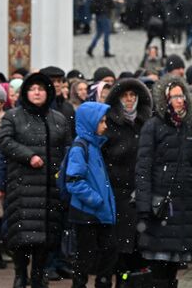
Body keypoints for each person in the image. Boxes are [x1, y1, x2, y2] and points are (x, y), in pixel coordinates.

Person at [0, 73, 71, 288]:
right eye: (33, 89)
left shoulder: (58, 119)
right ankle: (20, 276)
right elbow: (5, 141)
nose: (37, 92)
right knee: (20, 238)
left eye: (41, 89)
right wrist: (28, 156)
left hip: (49, 190)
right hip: (23, 188)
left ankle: (39, 276)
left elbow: (67, 148)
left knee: (46, 240)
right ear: (26, 93)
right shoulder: (13, 116)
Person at [135, 75, 192, 288]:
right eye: (174, 97)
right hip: (160, 206)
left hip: (182, 206)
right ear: (165, 99)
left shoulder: (188, 126)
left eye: (182, 96)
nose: (179, 100)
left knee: (174, 266)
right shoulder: (152, 126)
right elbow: (143, 167)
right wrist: (145, 205)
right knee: (158, 265)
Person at [102, 78, 153, 281]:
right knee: (117, 246)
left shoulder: (146, 121)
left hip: (139, 190)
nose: (130, 100)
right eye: (125, 96)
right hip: (117, 191)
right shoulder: (110, 123)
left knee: (137, 246)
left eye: (133, 95)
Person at [66, 102, 117, 288]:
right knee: (86, 258)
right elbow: (73, 181)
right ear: (90, 123)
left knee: (106, 253)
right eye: (101, 121)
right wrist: (96, 200)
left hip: (96, 211)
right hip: (87, 212)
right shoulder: (81, 147)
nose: (105, 125)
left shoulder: (93, 146)